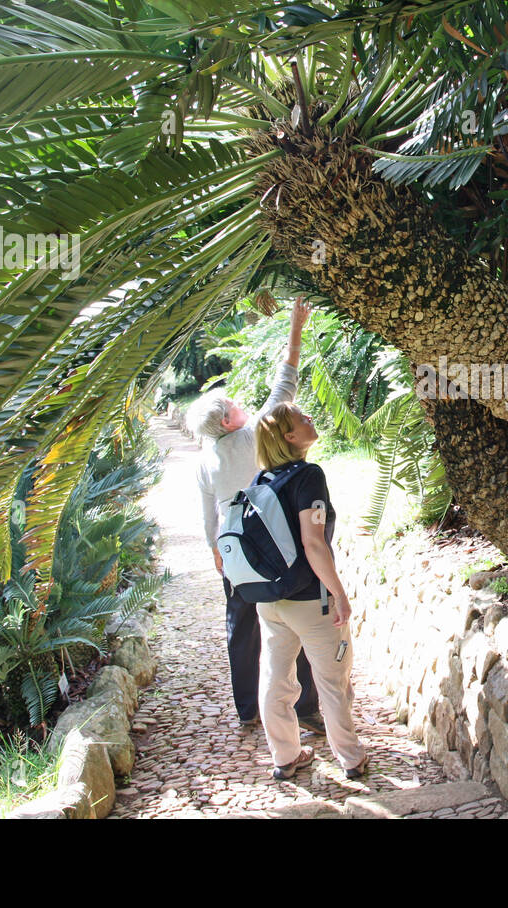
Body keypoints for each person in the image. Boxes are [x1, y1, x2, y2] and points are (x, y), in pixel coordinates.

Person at [188, 298, 324, 735]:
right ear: (229, 423)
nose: (239, 405)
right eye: (232, 406)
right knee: (295, 611)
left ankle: (247, 708)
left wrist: (214, 549)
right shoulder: (253, 436)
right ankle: (305, 707)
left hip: (234, 546)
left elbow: (206, 512)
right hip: (274, 535)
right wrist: (296, 326)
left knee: (240, 626)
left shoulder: (205, 459)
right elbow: (286, 381)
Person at [251, 400, 368, 780]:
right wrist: (339, 594)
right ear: (289, 437)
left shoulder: (261, 480)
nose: (310, 418)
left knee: (276, 678)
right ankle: (351, 759)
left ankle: (285, 757)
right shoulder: (308, 476)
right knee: (333, 682)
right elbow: (313, 543)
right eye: (303, 418)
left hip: (270, 601)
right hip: (308, 601)